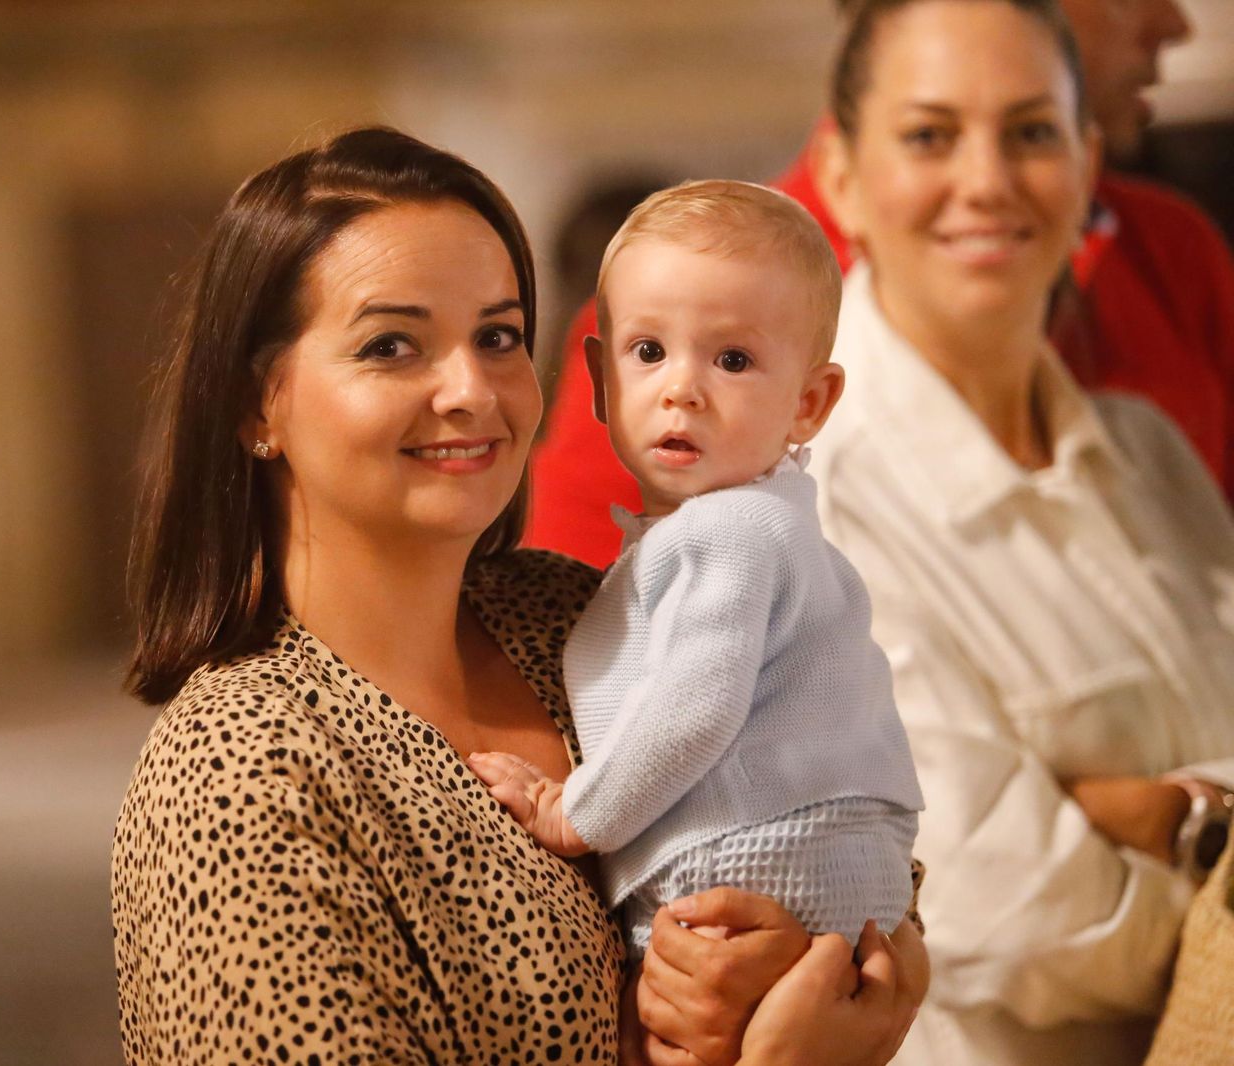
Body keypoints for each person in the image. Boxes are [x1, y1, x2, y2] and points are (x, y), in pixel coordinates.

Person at [110, 126, 927, 1065]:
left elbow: (855, 845)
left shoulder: (569, 613)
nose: (471, 389)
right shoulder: (242, 771)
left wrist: (802, 959)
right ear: (259, 403)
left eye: (497, 337)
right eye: (390, 345)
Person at [811, 1, 1234, 1062]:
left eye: (1032, 132)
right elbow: (1004, 915)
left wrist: (1158, 822)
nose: (987, 180)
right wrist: (1211, 840)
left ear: (1087, 165)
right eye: (930, 135)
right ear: (841, 176)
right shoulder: (806, 500)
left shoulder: (1150, 453)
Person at [530, 0, 1234, 567]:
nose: (1174, 23)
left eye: (1031, 134)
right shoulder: (672, 321)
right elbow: (576, 652)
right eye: (930, 135)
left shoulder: (1171, 257)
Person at [467, 180, 922, 958]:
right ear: (601, 379)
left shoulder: (729, 534)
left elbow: (694, 708)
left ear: (809, 403)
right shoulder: (774, 526)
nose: (682, 390)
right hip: (835, 857)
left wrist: (573, 815)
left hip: (755, 854)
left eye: (733, 360)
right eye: (648, 352)